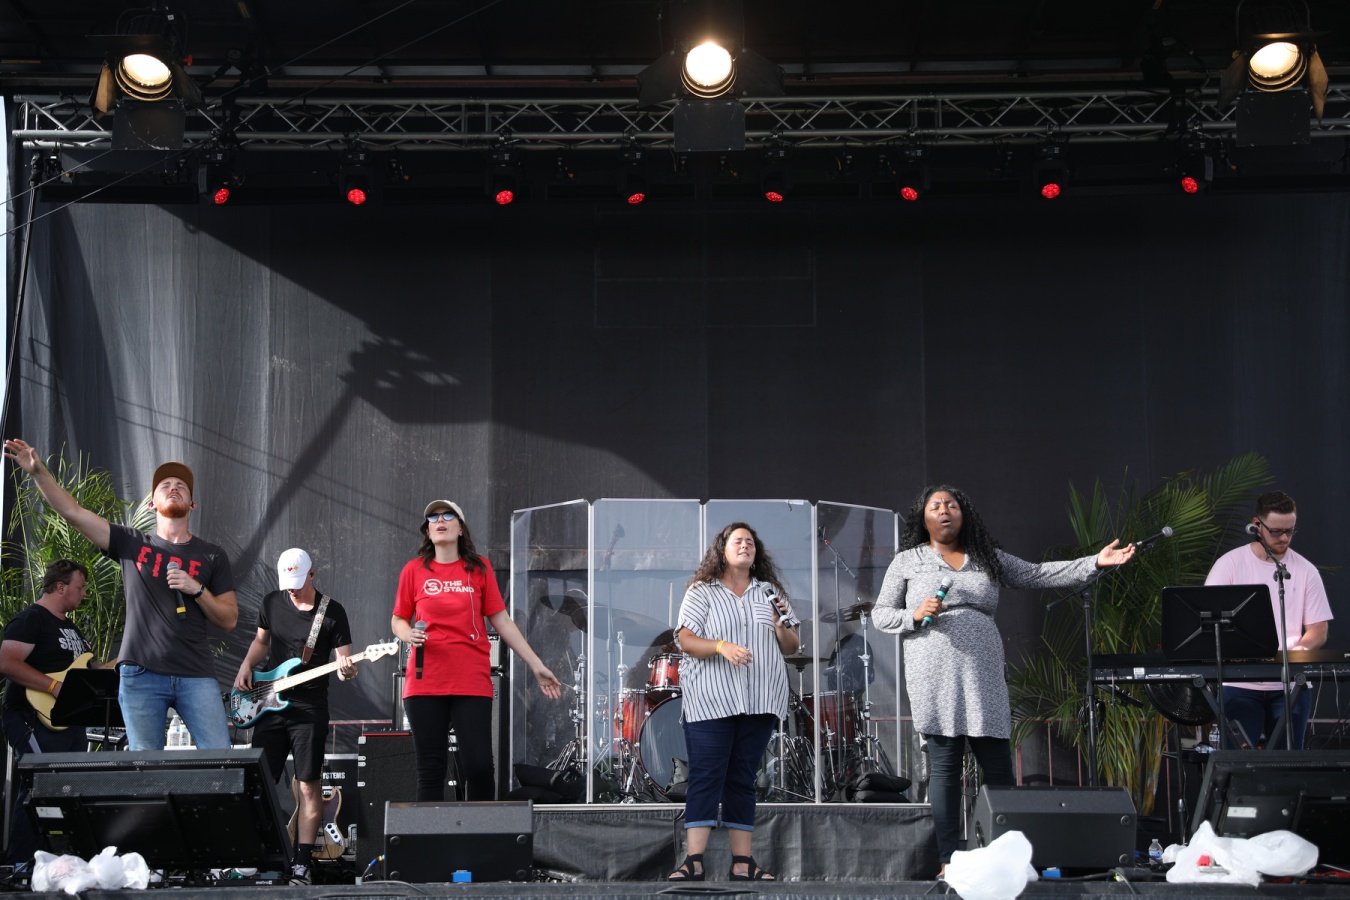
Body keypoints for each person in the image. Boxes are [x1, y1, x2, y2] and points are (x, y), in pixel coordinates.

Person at [872, 485, 1135, 877]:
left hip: (984, 670)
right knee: (944, 768)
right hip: (933, 671)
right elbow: (880, 614)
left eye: (952, 504)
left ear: (963, 513)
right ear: (922, 518)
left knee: (997, 767)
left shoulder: (985, 557)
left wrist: (1095, 562)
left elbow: (1037, 573)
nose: (944, 510)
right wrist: (913, 614)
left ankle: (1004, 856)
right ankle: (947, 859)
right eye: (935, 505)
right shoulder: (907, 561)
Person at [3, 440, 239, 751]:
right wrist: (39, 473)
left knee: (220, 758)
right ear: (152, 504)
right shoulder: (132, 543)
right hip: (141, 674)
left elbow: (229, 619)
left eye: (181, 485)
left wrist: (197, 589)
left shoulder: (212, 555)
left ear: (192, 504)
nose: (173, 487)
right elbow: (73, 513)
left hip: (196, 674)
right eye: (165, 485)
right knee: (143, 765)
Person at [390, 500, 561, 802]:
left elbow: (502, 620)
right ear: (428, 531)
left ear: (460, 528)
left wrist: (536, 664)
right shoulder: (413, 570)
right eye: (433, 517)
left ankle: (480, 832)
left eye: (447, 515)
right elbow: (398, 619)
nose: (440, 520)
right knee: (430, 770)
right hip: (425, 680)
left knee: (480, 767)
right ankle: (431, 834)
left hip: (470, 679)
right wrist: (408, 634)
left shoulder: (478, 568)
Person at [667, 522, 801, 882]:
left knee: (742, 778)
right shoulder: (702, 591)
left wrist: (780, 626)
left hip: (761, 699)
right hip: (711, 699)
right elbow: (685, 640)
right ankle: (693, 861)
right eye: (738, 541)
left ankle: (743, 863)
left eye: (750, 542)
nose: (745, 545)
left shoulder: (769, 592)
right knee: (706, 775)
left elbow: (792, 646)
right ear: (722, 550)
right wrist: (720, 646)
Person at [234, 548, 355, 883]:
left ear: (312, 573)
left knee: (308, 787)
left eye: (299, 582)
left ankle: (301, 864)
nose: (293, 590)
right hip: (270, 704)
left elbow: (344, 664)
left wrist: (347, 670)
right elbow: (261, 642)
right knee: (259, 783)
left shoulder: (332, 612)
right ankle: (254, 855)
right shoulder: (272, 602)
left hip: (309, 710)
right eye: (287, 583)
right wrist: (246, 665)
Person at [1205, 490, 1332, 750]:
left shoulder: (1306, 570)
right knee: (1238, 764)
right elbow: (1208, 621)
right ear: (1257, 525)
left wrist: (1300, 650)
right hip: (1238, 683)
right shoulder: (1229, 565)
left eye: (1290, 531)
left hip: (1291, 684)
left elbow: (1319, 629)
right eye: (1276, 531)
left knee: (1288, 764)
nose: (1284, 538)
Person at [0, 559, 108, 865]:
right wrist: (54, 687)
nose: (84, 593)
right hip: (32, 718)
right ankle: (19, 865)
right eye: (80, 587)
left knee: (65, 791)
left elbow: (87, 670)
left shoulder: (71, 627)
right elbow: (6, 662)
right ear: (61, 587)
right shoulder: (31, 619)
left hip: (69, 723)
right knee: (40, 787)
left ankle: (53, 864)